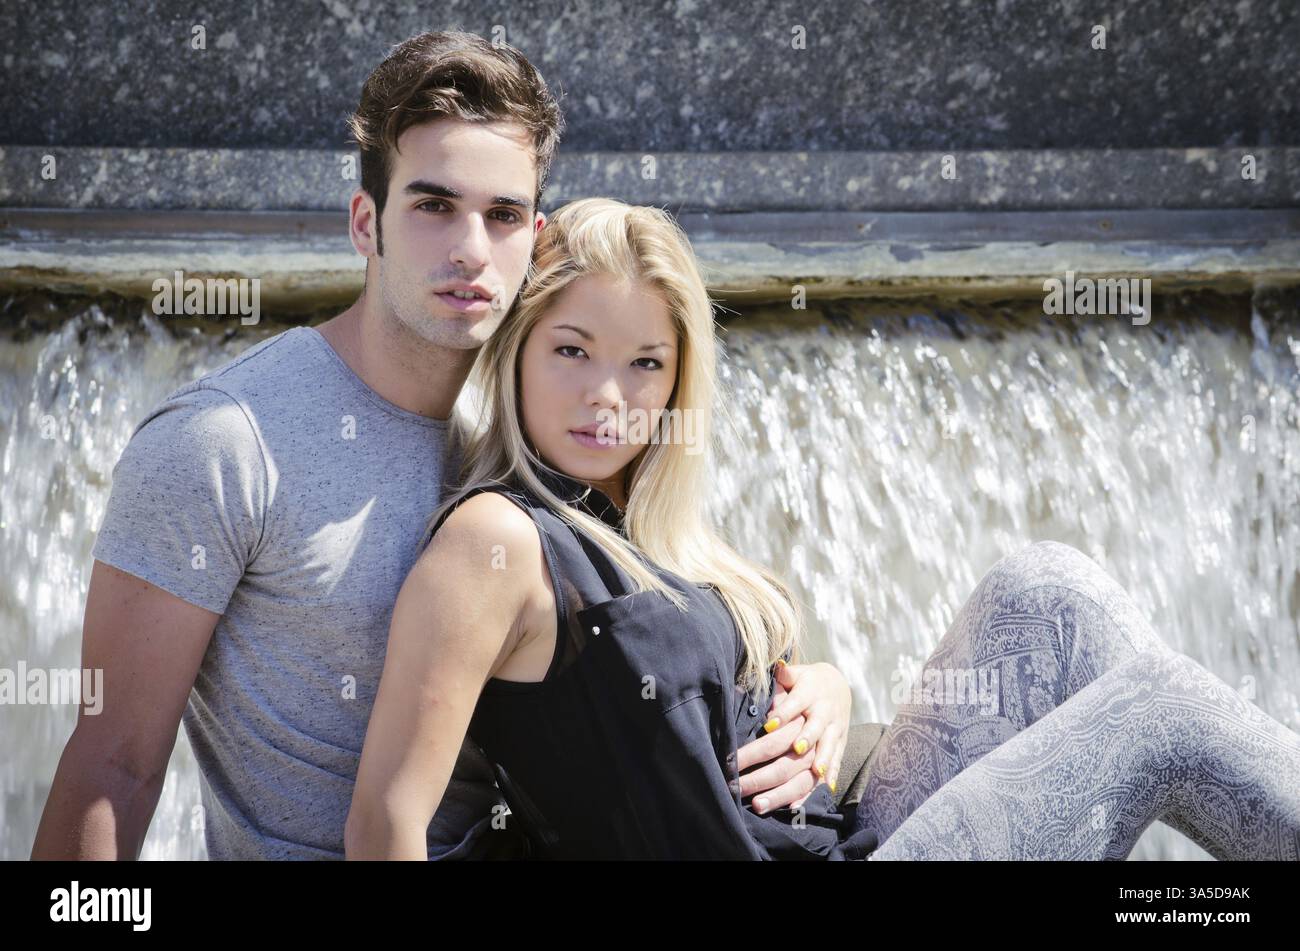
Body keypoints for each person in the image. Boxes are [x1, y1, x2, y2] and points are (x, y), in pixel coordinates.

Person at [31, 31, 856, 861]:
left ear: (533, 238)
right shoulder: (224, 442)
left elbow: (662, 644)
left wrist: (819, 692)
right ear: (366, 222)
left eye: (500, 216)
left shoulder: (523, 441)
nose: (469, 248)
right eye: (433, 205)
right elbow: (116, 767)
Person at [346, 196, 1300, 861]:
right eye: (571, 351)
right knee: (1159, 709)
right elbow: (385, 818)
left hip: (849, 835)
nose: (608, 397)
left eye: (645, 363)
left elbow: (737, 740)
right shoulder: (496, 540)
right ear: (515, 350)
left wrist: (833, 692)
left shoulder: (648, 536)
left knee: (1051, 590)